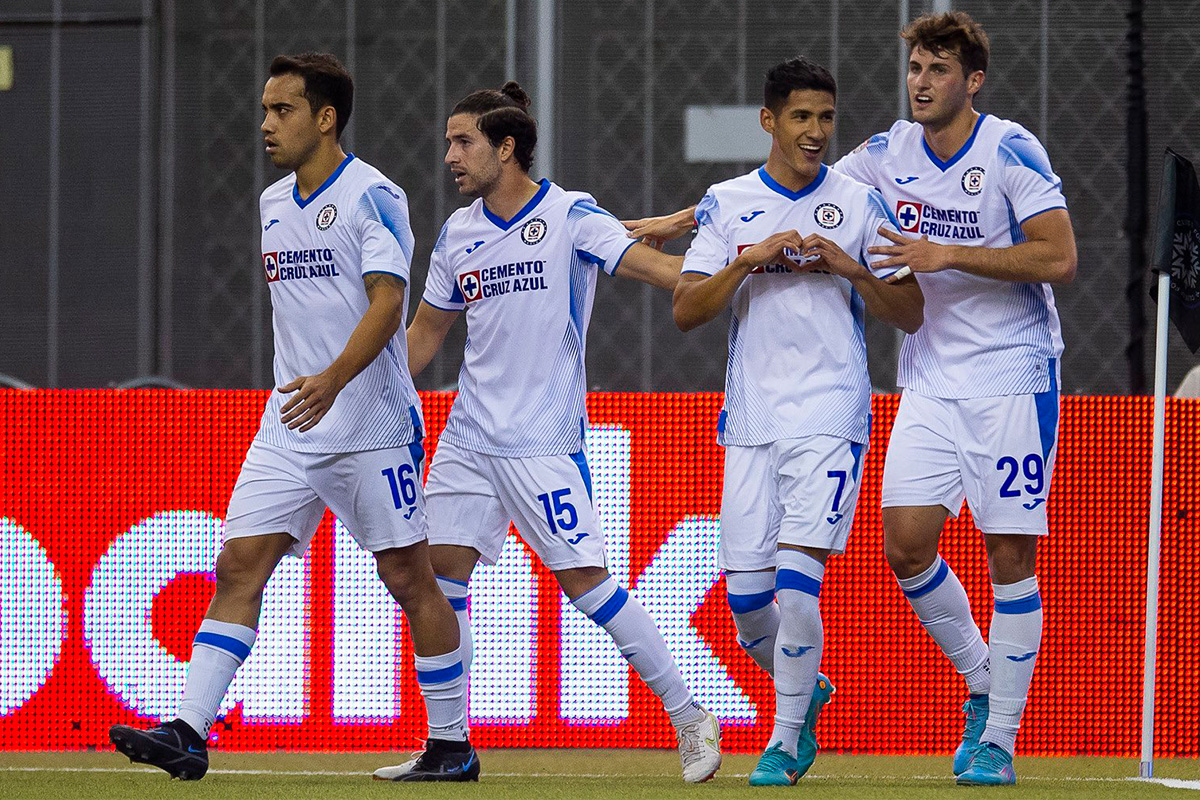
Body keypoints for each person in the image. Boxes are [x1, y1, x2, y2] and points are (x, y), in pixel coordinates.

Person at [109, 52, 474, 782]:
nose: (268, 123)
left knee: (411, 577)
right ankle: (188, 732)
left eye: (283, 110)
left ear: (326, 117)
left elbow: (387, 302)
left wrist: (336, 380)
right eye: (266, 110)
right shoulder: (275, 202)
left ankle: (451, 744)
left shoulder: (375, 195)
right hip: (290, 421)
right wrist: (309, 389)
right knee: (239, 563)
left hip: (369, 420)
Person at [371, 82, 723, 785]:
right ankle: (449, 746)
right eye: (448, 142)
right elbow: (424, 338)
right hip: (468, 436)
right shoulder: (458, 233)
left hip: (541, 440)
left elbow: (660, 269)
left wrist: (732, 266)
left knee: (587, 585)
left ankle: (689, 716)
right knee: (437, 578)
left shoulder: (570, 215)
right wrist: (360, 384)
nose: (450, 155)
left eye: (463, 141)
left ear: (506, 148)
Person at [832, 12, 1078, 786]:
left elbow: (1059, 255)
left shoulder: (1009, 149)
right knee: (904, 544)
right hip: (930, 377)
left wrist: (948, 254)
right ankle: (979, 679)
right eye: (915, 69)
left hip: (1013, 373)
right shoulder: (885, 153)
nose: (921, 83)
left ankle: (1000, 739)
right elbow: (809, 196)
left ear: (972, 81)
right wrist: (697, 219)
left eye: (938, 70)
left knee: (1008, 554)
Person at [672, 56, 923, 787]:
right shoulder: (728, 201)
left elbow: (911, 313)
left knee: (795, 582)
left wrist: (852, 268)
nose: (815, 132)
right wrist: (749, 261)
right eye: (801, 118)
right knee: (748, 603)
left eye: (825, 118)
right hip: (752, 421)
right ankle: (803, 684)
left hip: (830, 413)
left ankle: (786, 740)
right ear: (769, 121)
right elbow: (687, 310)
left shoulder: (860, 203)